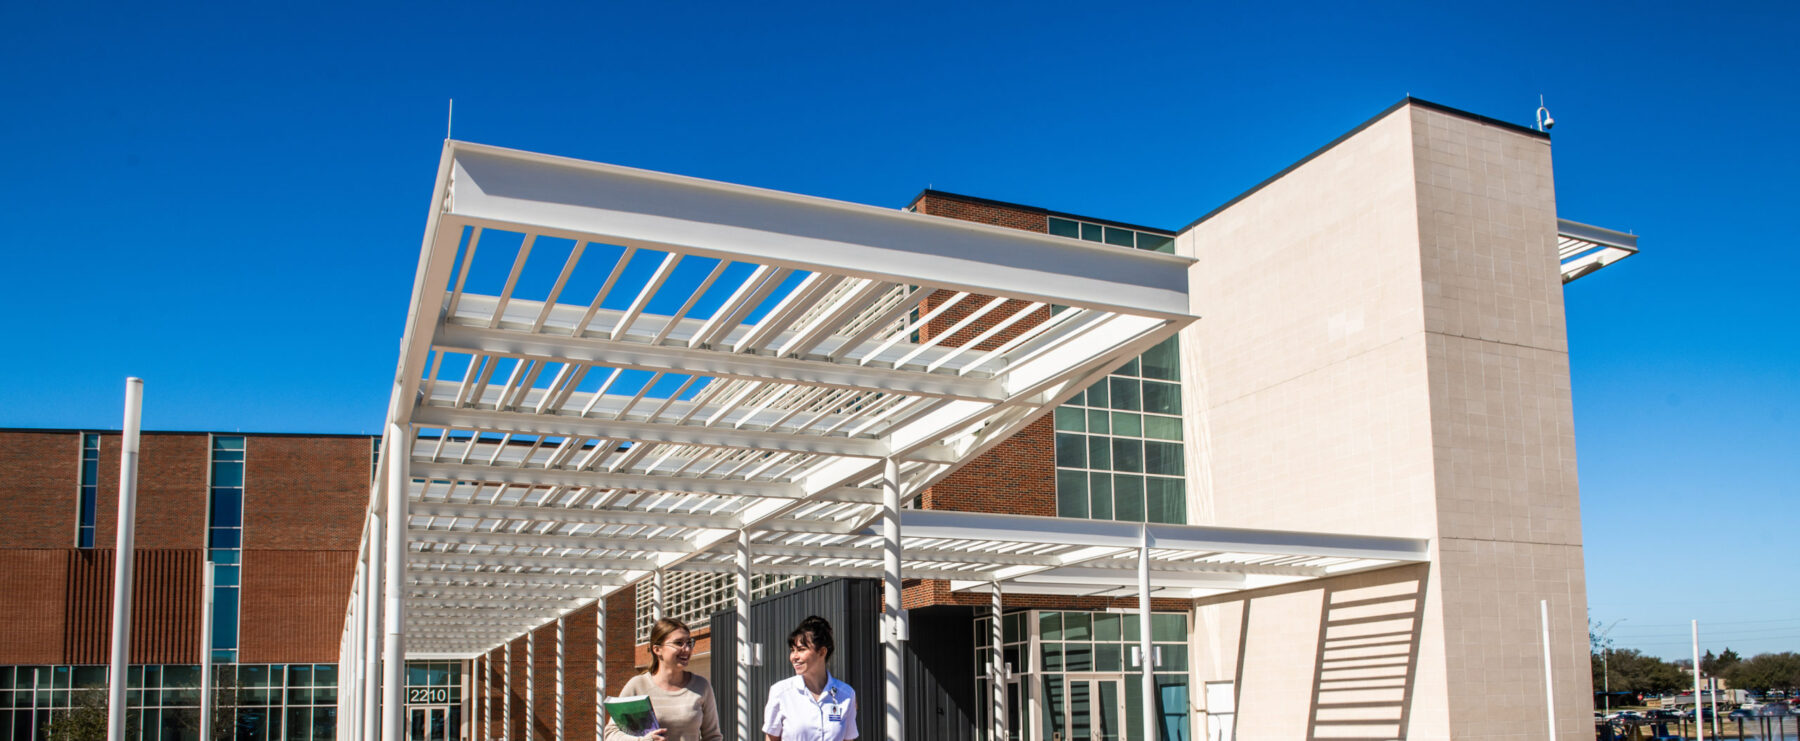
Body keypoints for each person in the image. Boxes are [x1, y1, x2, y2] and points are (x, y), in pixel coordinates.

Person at [604, 617, 723, 741]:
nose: (687, 649)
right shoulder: (637, 686)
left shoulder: (701, 686)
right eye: (679, 643)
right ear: (657, 649)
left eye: (689, 643)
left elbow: (713, 736)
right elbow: (611, 734)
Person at [763, 615, 858, 741]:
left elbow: (848, 739)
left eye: (801, 650)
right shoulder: (780, 692)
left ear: (822, 652)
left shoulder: (846, 694)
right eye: (792, 650)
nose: (794, 657)